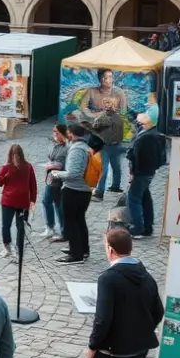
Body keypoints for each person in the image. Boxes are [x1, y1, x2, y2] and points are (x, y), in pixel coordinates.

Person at [87, 228, 162, 358]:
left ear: (110, 250)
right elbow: (158, 311)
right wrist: (141, 331)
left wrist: (92, 346)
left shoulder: (108, 279)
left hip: (112, 353)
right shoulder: (146, 275)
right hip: (138, 350)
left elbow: (103, 319)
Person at [50, 123, 94, 264]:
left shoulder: (77, 149)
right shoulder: (85, 147)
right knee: (80, 220)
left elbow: (74, 173)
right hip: (83, 190)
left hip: (74, 190)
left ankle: (76, 254)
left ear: (71, 134)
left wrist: (57, 174)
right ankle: (83, 249)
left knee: (71, 222)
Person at [0, 145, 37, 262]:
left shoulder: (20, 167)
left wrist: (32, 201)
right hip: (18, 201)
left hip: (14, 202)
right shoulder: (23, 167)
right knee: (16, 226)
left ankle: (11, 249)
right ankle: (14, 250)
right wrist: (32, 201)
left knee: (12, 226)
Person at [125, 113, 164, 238]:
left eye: (138, 123)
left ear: (145, 124)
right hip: (148, 171)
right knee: (145, 197)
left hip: (141, 172)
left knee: (133, 198)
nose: (136, 125)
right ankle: (147, 226)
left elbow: (137, 156)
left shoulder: (145, 138)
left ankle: (138, 228)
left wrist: (134, 171)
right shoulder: (155, 135)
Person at [91, 98, 125, 201]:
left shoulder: (103, 117)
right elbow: (121, 134)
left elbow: (94, 127)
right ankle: (115, 186)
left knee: (103, 169)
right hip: (117, 145)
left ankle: (99, 193)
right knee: (116, 167)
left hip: (105, 146)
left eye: (107, 103)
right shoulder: (119, 118)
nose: (106, 105)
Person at [39, 123, 69, 240]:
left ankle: (52, 227)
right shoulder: (56, 145)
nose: (54, 134)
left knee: (48, 201)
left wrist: (54, 165)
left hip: (58, 179)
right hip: (51, 177)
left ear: (62, 133)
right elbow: (52, 157)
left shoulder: (67, 147)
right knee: (57, 204)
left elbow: (64, 164)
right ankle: (60, 229)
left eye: (55, 132)